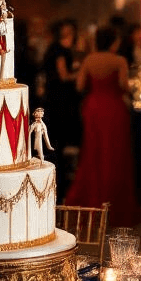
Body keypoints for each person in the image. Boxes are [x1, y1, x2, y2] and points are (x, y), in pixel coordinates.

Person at [63, 25, 140, 228]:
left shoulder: (89, 59)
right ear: (114, 41)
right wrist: (131, 89)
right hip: (114, 109)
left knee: (93, 154)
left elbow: (80, 86)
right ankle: (114, 207)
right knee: (115, 156)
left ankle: (93, 204)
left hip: (94, 108)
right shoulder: (119, 60)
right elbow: (124, 85)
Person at [42, 19, 83, 194]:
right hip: (60, 101)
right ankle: (60, 181)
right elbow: (64, 75)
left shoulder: (59, 49)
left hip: (56, 99)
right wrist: (81, 74)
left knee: (58, 141)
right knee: (59, 140)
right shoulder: (59, 50)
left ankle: (60, 178)